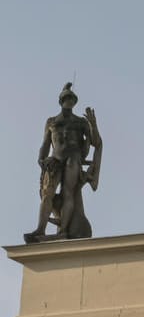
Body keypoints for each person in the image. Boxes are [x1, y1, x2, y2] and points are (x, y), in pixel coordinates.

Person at [27, 82, 100, 243]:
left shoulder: (81, 122)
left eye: (72, 98)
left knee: (68, 193)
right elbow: (45, 144)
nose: (69, 101)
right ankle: (41, 229)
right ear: (61, 101)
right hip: (55, 159)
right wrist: (41, 160)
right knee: (47, 195)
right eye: (67, 98)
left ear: (75, 101)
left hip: (73, 158)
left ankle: (64, 230)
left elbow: (95, 142)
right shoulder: (51, 121)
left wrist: (93, 126)